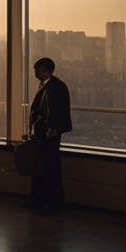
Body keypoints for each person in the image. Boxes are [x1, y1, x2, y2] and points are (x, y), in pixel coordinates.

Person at [27, 57, 72, 216]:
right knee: (43, 167)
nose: (35, 73)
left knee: (50, 169)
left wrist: (51, 129)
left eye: (37, 70)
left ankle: (53, 204)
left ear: (45, 70)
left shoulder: (53, 87)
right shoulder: (52, 86)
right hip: (45, 133)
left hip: (48, 134)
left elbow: (54, 111)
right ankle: (41, 201)